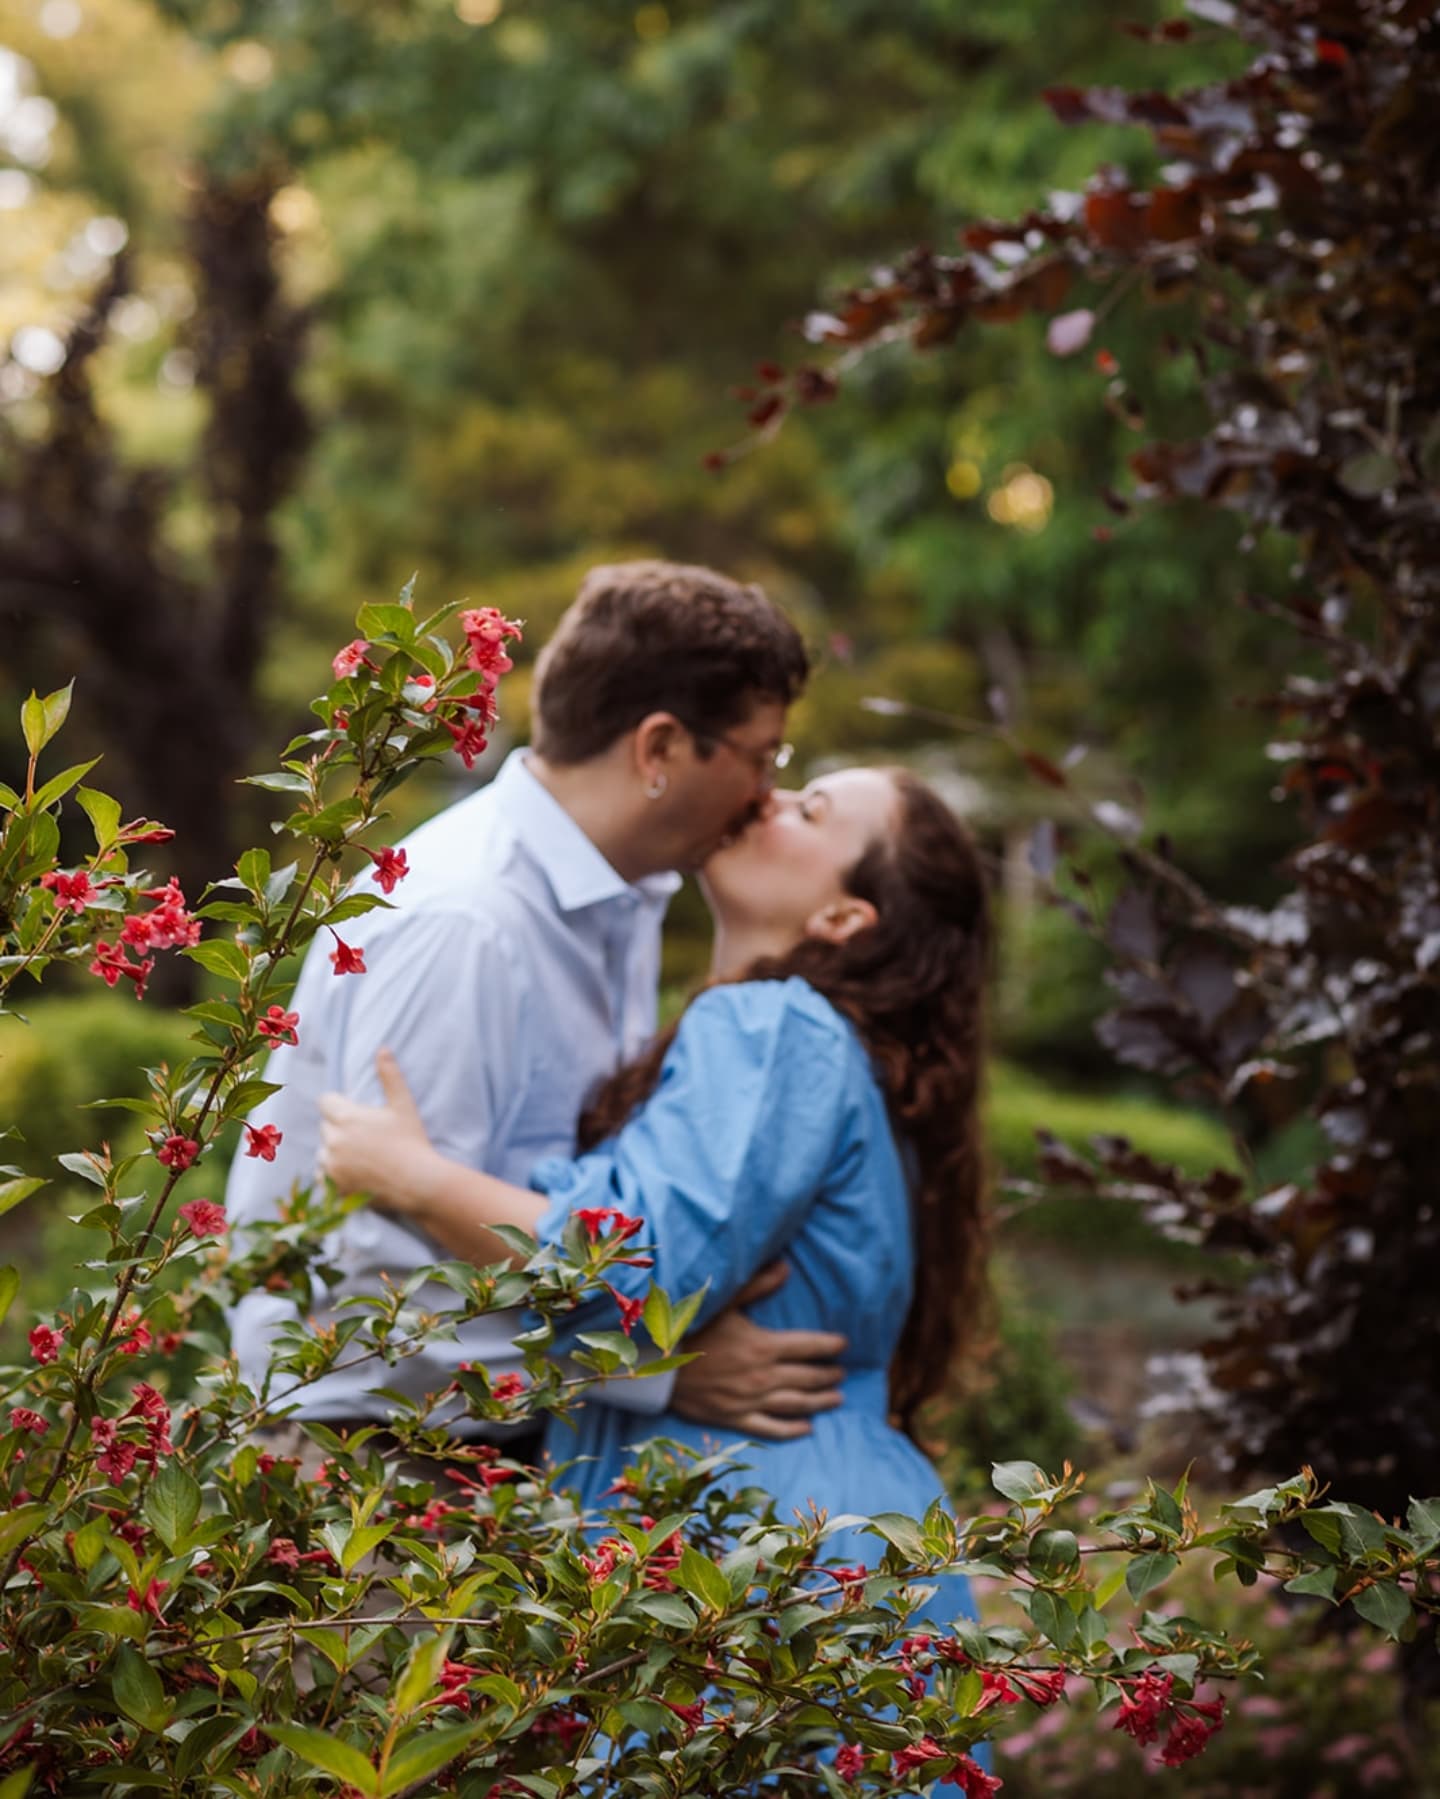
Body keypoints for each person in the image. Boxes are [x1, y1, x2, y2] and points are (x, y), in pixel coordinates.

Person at [317, 764, 990, 1628]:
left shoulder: (772, 1024)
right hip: (823, 1532)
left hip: (755, 1541)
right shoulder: (830, 1052)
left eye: (809, 809)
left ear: (842, 918)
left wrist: (414, 1177)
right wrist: (676, 1369)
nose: (768, 796)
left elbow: (626, 1268)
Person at [225, 559, 850, 1458]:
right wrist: (653, 1367)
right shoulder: (466, 924)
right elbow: (391, 1283)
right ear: (661, 749)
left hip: (491, 1445)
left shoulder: (622, 896)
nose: (765, 795)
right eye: (763, 757)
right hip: (368, 1463)